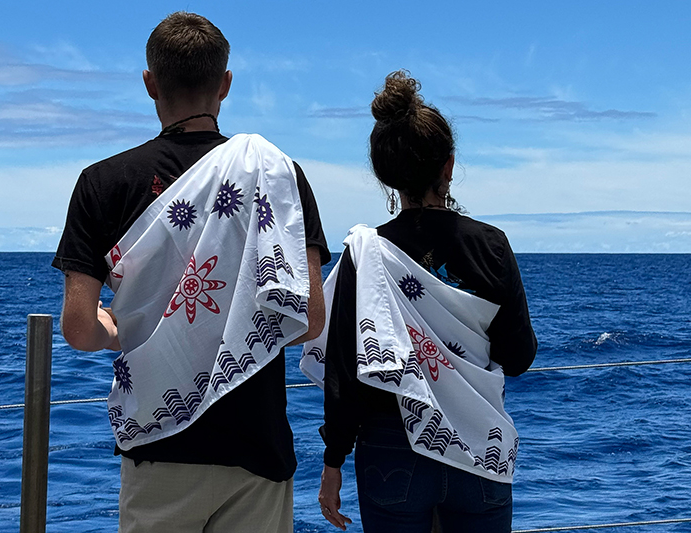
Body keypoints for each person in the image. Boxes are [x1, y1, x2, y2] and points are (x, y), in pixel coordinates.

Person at [52, 12, 330, 533]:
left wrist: (130, 327)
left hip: (158, 444)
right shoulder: (277, 176)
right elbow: (310, 319)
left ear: (149, 83)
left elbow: (78, 327)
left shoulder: (102, 182)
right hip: (258, 448)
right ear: (225, 84)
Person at [303, 71, 537, 533]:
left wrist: (333, 464)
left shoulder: (364, 254)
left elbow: (345, 373)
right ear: (448, 166)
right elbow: (519, 356)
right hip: (479, 444)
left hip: (392, 449)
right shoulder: (491, 245)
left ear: (385, 174)